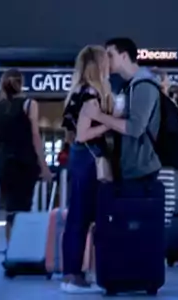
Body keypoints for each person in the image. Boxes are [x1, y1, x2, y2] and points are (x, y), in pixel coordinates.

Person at [59, 47, 114, 293]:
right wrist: (109, 123)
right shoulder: (91, 94)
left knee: (76, 218)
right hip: (91, 159)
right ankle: (74, 276)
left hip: (78, 159)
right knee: (84, 219)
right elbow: (83, 134)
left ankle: (71, 273)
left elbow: (72, 134)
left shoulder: (75, 93)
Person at [0, 69, 52, 242]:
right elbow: (35, 137)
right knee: (24, 208)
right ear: (21, 83)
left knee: (10, 209)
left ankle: (11, 251)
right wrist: (43, 166)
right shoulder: (29, 104)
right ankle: (22, 250)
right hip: (25, 163)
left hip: (4, 164)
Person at [91, 38, 162, 192]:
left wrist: (99, 116)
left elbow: (135, 128)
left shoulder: (144, 85)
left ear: (124, 56)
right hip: (130, 169)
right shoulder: (128, 86)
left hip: (140, 171)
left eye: (110, 55)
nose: (106, 60)